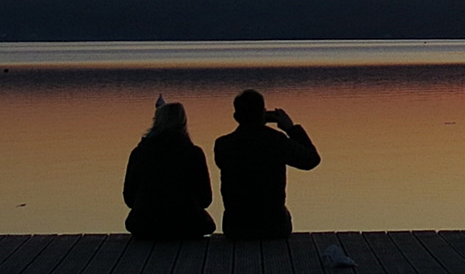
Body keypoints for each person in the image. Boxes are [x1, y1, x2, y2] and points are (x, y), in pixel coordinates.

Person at [213, 90, 321, 238]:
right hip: (274, 227)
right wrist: (291, 128)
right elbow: (311, 160)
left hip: (236, 227)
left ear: (236, 117)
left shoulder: (223, 144)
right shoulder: (277, 140)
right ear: (263, 114)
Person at [123, 101, 215, 240]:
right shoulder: (193, 153)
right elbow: (205, 199)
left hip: (145, 225)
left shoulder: (139, 153)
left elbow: (129, 198)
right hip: (187, 225)